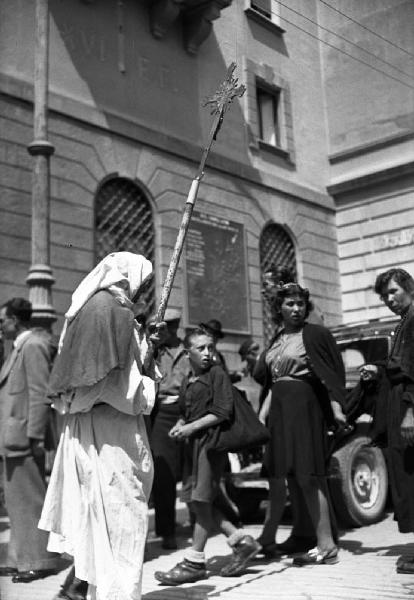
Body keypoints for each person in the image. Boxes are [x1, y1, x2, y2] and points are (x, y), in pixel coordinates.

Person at [38, 252, 164, 600]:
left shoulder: (90, 309)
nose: (144, 290)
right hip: (112, 433)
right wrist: (148, 380)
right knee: (121, 519)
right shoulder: (113, 312)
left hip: (94, 429)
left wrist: (148, 347)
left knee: (103, 520)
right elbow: (113, 386)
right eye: (144, 282)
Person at [154, 327, 260, 585]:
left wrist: (190, 427)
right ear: (187, 352)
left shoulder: (217, 374)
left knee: (201, 501)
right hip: (194, 445)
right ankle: (241, 542)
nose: (207, 353)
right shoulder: (190, 377)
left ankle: (194, 562)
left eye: (210, 348)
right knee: (199, 500)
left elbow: (222, 412)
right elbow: (186, 411)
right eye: (200, 348)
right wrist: (181, 424)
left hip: (212, 445)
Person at [253, 283, 347, 566]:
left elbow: (330, 375)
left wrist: (337, 408)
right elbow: (271, 382)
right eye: (290, 304)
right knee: (290, 473)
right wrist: (261, 416)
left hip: (304, 406)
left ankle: (327, 545)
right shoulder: (278, 338)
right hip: (280, 410)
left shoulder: (315, 334)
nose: (296, 309)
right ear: (279, 308)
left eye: (300, 304)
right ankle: (303, 534)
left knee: (309, 474)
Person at [0, 298, 65, 583]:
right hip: (13, 436)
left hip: (25, 436)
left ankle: (41, 561)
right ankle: (19, 558)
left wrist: (36, 437)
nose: (1, 326)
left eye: (3, 320)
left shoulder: (33, 346)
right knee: (17, 502)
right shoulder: (18, 347)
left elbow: (40, 393)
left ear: (15, 320)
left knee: (31, 500)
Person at [368, 268, 414, 574]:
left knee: (411, 475)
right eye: (385, 295)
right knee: (405, 474)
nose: (389, 299)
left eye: (393, 292)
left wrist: (411, 412)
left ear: (409, 288)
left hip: (409, 406)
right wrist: (378, 369)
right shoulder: (403, 323)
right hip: (399, 402)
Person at [150, 307, 189, 550]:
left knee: (192, 473)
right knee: (163, 474)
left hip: (188, 412)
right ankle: (167, 531)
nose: (169, 331)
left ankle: (208, 523)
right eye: (164, 326)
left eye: (173, 326)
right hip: (161, 413)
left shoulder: (190, 350)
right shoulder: (153, 351)